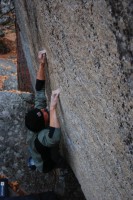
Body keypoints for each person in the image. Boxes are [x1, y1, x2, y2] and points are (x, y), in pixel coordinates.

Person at [25, 50, 65, 173]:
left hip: (35, 147)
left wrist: (41, 64)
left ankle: (33, 160)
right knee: (57, 159)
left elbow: (39, 90)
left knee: (36, 152)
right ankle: (62, 171)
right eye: (44, 113)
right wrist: (52, 108)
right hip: (45, 165)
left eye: (42, 110)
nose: (44, 109)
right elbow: (55, 137)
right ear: (43, 125)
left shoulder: (36, 119)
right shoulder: (41, 138)